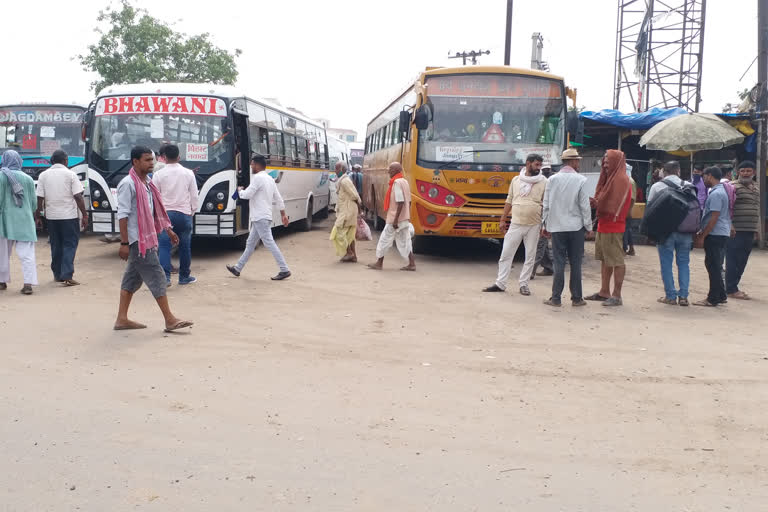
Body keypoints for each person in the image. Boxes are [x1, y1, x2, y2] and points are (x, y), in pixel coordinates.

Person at [113, 146, 193, 331]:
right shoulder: (128, 184)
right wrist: (124, 243)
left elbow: (154, 210)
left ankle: (121, 319)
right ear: (135, 161)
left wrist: (169, 230)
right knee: (157, 274)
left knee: (132, 279)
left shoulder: (147, 183)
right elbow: (123, 215)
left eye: (152, 160)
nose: (151, 163)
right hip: (137, 240)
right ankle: (169, 319)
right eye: (147, 160)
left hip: (146, 238)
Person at [483, 154, 547, 296]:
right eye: (536, 164)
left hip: (534, 224)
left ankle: (524, 284)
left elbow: (547, 204)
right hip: (515, 223)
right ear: (528, 163)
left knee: (530, 256)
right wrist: (502, 219)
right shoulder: (516, 180)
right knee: (506, 254)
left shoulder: (544, 181)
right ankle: (500, 283)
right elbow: (509, 200)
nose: (539, 168)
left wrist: (545, 225)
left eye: (540, 165)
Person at [541, 148, 592, 307]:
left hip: (557, 227)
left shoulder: (552, 180)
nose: (578, 163)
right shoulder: (581, 180)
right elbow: (585, 206)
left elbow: (546, 205)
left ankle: (556, 298)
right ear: (573, 161)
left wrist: (545, 224)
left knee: (559, 262)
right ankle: (577, 298)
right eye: (578, 161)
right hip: (576, 228)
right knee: (576, 263)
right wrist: (588, 226)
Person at [226, 155, 291, 280]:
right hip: (262, 216)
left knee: (269, 243)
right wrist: (283, 214)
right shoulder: (270, 179)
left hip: (260, 217)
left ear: (257, 165)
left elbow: (247, 194)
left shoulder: (257, 178)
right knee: (250, 243)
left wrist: (239, 191)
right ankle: (237, 268)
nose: (251, 166)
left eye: (252, 164)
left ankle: (284, 269)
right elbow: (278, 198)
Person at [586, 149, 632, 307]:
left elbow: (614, 206)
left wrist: (598, 204)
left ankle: (617, 295)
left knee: (617, 260)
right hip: (604, 224)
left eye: (608, 163)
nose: (605, 166)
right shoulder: (609, 179)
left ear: (616, 162)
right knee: (605, 260)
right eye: (604, 163)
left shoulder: (620, 180)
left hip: (614, 226)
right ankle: (604, 291)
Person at [36, 150, 89, 286]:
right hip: (68, 216)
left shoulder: (43, 175)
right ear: (65, 161)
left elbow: (40, 198)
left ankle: (57, 274)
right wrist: (85, 214)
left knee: (56, 244)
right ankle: (67, 274)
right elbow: (78, 196)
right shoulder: (70, 174)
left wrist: (38, 216)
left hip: (52, 217)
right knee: (70, 244)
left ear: (52, 161)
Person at [647, 161, 693, 306]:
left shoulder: (657, 186)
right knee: (684, 263)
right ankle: (684, 296)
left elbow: (650, 209)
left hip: (664, 232)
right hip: (685, 231)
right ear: (678, 171)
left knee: (666, 264)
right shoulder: (689, 186)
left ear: (664, 172)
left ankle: (671, 296)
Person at [152, 144, 198, 285]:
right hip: (184, 214)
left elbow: (155, 197)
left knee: (164, 246)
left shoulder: (158, 174)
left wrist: (156, 215)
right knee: (185, 246)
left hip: (166, 215)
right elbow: (194, 195)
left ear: (164, 157)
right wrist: (192, 212)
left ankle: (165, 278)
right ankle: (184, 277)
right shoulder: (188, 173)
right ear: (179, 157)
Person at [0, 150, 38, 295]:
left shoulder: (1, 177)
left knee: (2, 253)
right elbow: (33, 204)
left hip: (4, 221)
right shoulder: (28, 179)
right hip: (25, 221)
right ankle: (28, 284)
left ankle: (2, 282)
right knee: (27, 254)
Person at [694, 166, 731, 307]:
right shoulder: (721, 191)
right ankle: (721, 294)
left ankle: (712, 298)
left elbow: (714, 217)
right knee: (715, 264)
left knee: (713, 266)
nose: (703, 179)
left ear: (709, 176)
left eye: (704, 177)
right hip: (720, 232)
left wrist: (703, 235)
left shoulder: (716, 194)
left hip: (715, 233)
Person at [368, 162, 416, 271]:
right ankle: (412, 263)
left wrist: (395, 221)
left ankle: (379, 263)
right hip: (403, 219)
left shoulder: (397, 183)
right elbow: (408, 202)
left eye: (390, 169)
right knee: (405, 241)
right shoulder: (404, 181)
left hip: (395, 219)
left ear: (395, 170)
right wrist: (406, 216)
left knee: (384, 240)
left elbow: (400, 202)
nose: (388, 171)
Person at [726, 161, 760, 300]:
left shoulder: (756, 188)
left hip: (750, 229)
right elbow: (727, 207)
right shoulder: (732, 186)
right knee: (732, 259)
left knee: (742, 260)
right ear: (738, 172)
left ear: (754, 173)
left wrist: (757, 229)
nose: (745, 173)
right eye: (743, 171)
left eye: (748, 171)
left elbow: (756, 208)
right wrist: (730, 225)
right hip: (736, 230)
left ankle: (734, 287)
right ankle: (731, 289)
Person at [329, 161, 362, 262]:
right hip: (347, 210)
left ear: (342, 170)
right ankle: (354, 256)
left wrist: (360, 212)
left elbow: (356, 196)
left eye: (337, 168)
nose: (335, 170)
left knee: (338, 232)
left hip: (348, 211)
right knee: (350, 235)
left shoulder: (344, 181)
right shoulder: (342, 180)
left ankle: (349, 253)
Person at [531, 161, 554, 279]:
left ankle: (531, 271)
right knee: (542, 245)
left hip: (547, 218)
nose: (546, 173)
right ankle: (549, 267)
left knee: (540, 245)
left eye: (547, 171)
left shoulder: (552, 182)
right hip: (539, 216)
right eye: (544, 171)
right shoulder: (539, 182)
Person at [623, 164, 637, 256]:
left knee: (624, 230)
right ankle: (631, 248)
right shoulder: (631, 180)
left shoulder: (628, 181)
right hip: (628, 209)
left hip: (626, 209)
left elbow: (631, 198)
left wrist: (627, 211)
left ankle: (624, 249)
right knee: (628, 229)